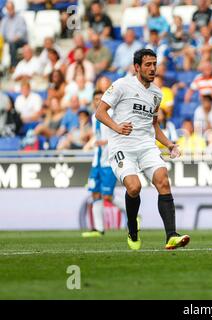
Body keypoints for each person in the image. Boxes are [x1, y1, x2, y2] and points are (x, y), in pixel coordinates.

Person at [95, 48, 190, 251]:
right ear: (137, 67)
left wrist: (169, 144)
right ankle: (132, 227)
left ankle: (171, 236)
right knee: (134, 187)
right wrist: (117, 127)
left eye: (154, 64)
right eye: (148, 64)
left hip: (146, 145)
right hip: (122, 146)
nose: (153, 68)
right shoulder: (121, 85)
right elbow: (100, 112)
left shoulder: (156, 93)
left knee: (163, 180)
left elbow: (154, 125)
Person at [82, 91, 120, 238]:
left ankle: (136, 214)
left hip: (108, 161)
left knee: (107, 196)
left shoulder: (110, 114)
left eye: (100, 99)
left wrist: (106, 142)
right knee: (95, 193)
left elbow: (119, 135)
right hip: (96, 161)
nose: (97, 102)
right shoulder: (94, 117)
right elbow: (97, 137)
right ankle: (99, 229)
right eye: (95, 99)